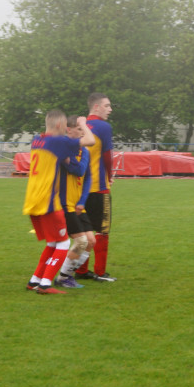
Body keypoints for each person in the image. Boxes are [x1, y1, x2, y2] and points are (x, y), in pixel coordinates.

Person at [22, 110, 95, 295]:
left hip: (32, 199)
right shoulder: (58, 141)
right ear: (59, 126)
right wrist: (84, 123)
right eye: (65, 126)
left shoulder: (38, 139)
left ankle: (34, 280)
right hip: (48, 201)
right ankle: (46, 284)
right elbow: (90, 141)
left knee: (52, 243)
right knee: (63, 244)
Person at [75, 92, 116, 282]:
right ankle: (100, 272)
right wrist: (110, 174)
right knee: (102, 232)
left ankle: (81, 270)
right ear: (96, 107)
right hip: (98, 187)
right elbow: (107, 155)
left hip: (79, 188)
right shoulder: (103, 126)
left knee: (85, 231)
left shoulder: (79, 126)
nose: (110, 109)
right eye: (107, 106)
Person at [56, 115, 97, 289]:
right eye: (80, 129)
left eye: (84, 129)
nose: (83, 133)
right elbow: (78, 169)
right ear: (69, 129)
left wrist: (82, 201)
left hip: (77, 203)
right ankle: (64, 277)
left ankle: (68, 275)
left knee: (91, 241)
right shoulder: (63, 146)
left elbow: (87, 178)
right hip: (64, 203)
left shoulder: (84, 151)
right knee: (81, 242)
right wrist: (82, 157)